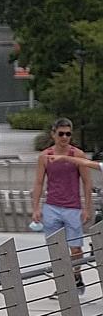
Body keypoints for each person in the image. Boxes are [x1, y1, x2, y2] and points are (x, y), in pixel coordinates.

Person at [31, 118, 94, 295]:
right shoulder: (45, 157)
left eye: (68, 134)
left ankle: (76, 274)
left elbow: (87, 182)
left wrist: (87, 207)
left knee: (75, 247)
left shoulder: (77, 155)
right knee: (56, 248)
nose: (65, 137)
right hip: (51, 206)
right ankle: (62, 284)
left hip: (73, 207)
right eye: (61, 134)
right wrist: (36, 208)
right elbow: (38, 183)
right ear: (53, 134)